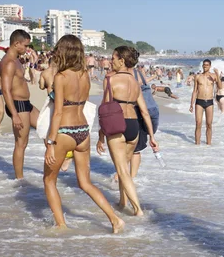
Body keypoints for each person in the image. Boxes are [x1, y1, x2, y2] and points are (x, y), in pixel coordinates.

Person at [42, 35, 124, 233]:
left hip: (64, 132)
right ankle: (115, 219)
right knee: (86, 183)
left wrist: (50, 142)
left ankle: (61, 225)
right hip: (83, 132)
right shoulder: (85, 75)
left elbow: (59, 112)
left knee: (48, 180)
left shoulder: (61, 77)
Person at [96, 46, 158, 216]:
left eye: (113, 58)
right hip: (134, 127)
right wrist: (151, 136)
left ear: (122, 61)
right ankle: (122, 202)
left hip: (117, 124)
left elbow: (105, 108)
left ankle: (138, 210)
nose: (111, 61)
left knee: (122, 171)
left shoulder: (110, 80)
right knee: (124, 169)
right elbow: (144, 111)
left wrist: (101, 134)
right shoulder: (135, 82)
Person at [0, 30, 40, 179]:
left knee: (45, 126)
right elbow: (5, 90)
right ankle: (19, 179)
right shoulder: (9, 63)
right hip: (18, 105)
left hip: (26, 104)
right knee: (21, 144)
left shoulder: (16, 60)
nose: (27, 49)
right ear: (16, 44)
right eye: (25, 45)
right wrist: (15, 115)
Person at [189, 59, 222, 145]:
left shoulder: (213, 76)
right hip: (199, 101)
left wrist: (217, 74)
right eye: (204, 65)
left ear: (210, 66)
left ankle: (208, 145)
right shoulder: (198, 76)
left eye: (207, 65)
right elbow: (194, 91)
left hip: (209, 102)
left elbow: (220, 86)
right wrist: (191, 104)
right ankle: (197, 144)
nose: (205, 66)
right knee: (198, 123)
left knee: (209, 124)